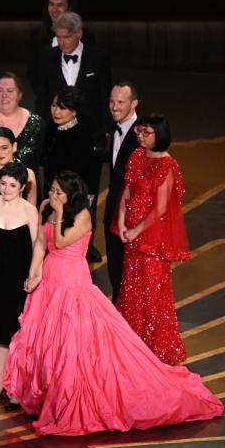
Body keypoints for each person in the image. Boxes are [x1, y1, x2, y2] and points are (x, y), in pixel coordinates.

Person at [0, 171, 222, 435]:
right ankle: (42, 393)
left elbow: (60, 241)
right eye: (52, 191)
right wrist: (33, 272)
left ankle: (70, 399)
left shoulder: (83, 215)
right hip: (49, 282)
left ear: (72, 194)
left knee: (72, 346)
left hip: (72, 283)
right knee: (43, 342)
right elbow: (41, 242)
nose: (53, 195)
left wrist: (58, 212)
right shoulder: (47, 208)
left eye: (59, 192)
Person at [114, 115, 191, 365]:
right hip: (132, 236)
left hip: (151, 241)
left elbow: (159, 210)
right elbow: (127, 190)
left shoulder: (168, 166)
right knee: (131, 289)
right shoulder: (137, 156)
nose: (140, 136)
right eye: (140, 132)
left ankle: (151, 348)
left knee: (150, 294)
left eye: (146, 133)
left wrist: (135, 231)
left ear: (159, 135)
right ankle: (132, 344)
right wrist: (123, 220)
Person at [0, 162, 38, 405]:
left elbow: (37, 248)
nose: (6, 189)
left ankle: (16, 391)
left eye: (12, 185)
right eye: (3, 184)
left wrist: (34, 276)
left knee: (16, 336)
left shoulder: (30, 211)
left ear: (22, 187)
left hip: (18, 281)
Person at [42, 86, 101, 262]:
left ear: (74, 111)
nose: (56, 111)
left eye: (62, 107)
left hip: (73, 198)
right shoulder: (51, 129)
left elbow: (91, 173)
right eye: (54, 106)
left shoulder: (83, 136)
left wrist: (85, 203)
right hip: (52, 192)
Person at [99, 82, 141, 299]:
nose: (114, 107)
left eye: (121, 102)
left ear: (134, 103)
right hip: (112, 212)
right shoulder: (113, 127)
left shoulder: (143, 135)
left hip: (132, 218)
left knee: (130, 275)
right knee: (115, 270)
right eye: (112, 102)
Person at [26, 0, 79, 97]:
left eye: (60, 5)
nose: (55, 10)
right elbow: (33, 73)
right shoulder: (37, 36)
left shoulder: (84, 36)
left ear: (69, 8)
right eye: (51, 4)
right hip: (48, 105)